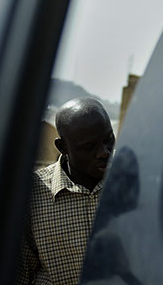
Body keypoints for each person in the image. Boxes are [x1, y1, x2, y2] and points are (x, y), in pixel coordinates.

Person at [17, 97, 115, 285]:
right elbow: (21, 273)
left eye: (108, 139)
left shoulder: (137, 182)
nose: (104, 152)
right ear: (63, 147)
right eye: (89, 147)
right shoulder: (34, 195)